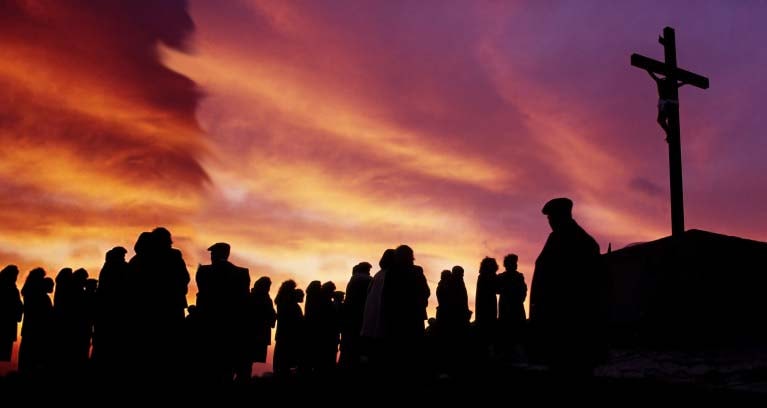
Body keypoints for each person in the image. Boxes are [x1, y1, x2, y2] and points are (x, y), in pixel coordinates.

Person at [529, 197, 605, 377]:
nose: (549, 222)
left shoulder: (568, 240)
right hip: (567, 323)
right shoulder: (581, 240)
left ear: (560, 216)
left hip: (566, 322)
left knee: (568, 369)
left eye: (551, 218)